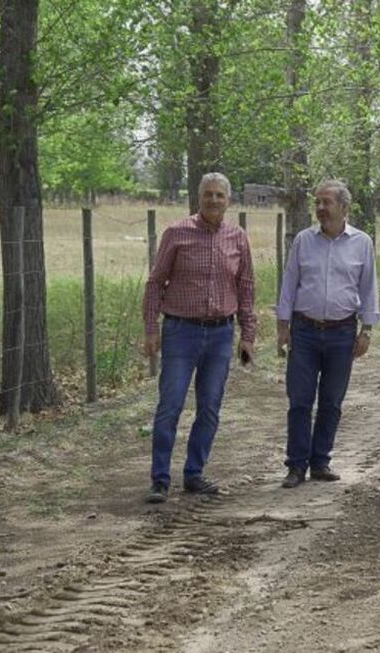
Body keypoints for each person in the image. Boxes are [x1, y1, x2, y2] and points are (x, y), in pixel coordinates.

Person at [142, 172, 256, 504]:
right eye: (208, 194)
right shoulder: (177, 233)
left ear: (228, 200)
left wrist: (248, 335)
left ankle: (194, 473)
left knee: (209, 407)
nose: (214, 200)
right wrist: (151, 328)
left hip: (221, 333)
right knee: (170, 405)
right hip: (181, 332)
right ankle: (160, 480)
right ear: (199, 198)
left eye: (220, 195)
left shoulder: (238, 238)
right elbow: (155, 283)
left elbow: (246, 287)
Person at [276, 180, 380, 488]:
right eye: (317, 203)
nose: (320, 208)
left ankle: (320, 461)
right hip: (305, 331)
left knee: (332, 400)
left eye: (327, 203)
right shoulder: (303, 241)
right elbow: (289, 283)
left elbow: (369, 287)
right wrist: (283, 326)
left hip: (342, 332)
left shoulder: (362, 243)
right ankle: (296, 465)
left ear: (344, 208)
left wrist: (367, 330)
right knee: (299, 400)